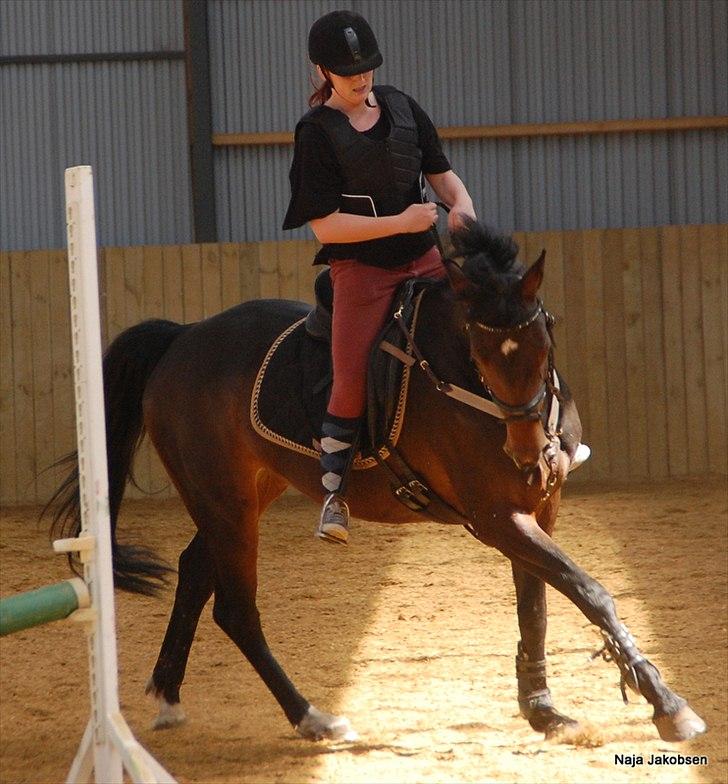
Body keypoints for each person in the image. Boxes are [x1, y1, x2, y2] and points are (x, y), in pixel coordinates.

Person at [283, 9, 476, 545]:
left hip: (425, 258)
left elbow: (442, 176)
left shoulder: (402, 107)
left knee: (487, 324)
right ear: (321, 71)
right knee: (351, 370)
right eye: (348, 73)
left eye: (367, 68)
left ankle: (540, 434)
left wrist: (461, 207)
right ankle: (334, 493)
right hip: (363, 271)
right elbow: (323, 226)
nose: (361, 78)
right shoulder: (316, 134)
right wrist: (401, 221)